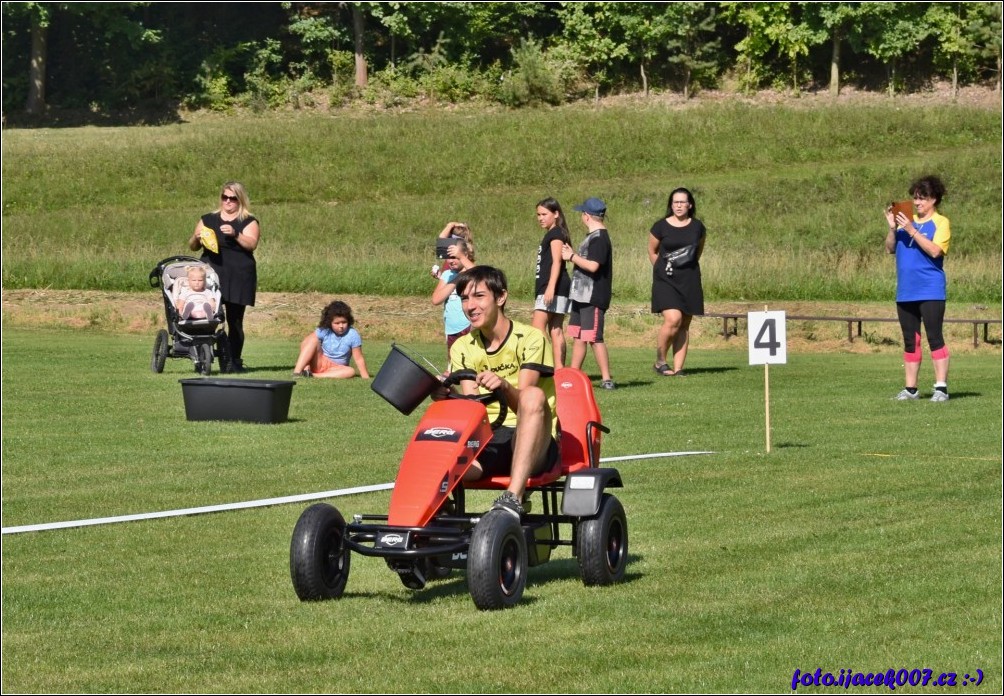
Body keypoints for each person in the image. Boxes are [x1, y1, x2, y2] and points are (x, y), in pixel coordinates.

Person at [442, 265, 559, 518]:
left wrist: (505, 386)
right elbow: (472, 406)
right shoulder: (462, 346)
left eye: (479, 296)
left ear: (501, 297)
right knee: (441, 458)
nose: (470, 306)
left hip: (534, 438)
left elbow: (527, 405)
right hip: (490, 438)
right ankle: (435, 512)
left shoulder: (531, 339)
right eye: (464, 298)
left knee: (533, 395)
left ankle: (513, 497)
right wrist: (444, 396)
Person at [884, 175, 952, 402]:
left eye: (922, 198)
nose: (917, 202)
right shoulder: (905, 222)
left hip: (930, 290)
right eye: (915, 198)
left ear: (934, 199)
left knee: (934, 337)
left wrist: (912, 230)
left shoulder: (940, 223)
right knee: (910, 340)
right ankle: (911, 389)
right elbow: (889, 249)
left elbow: (935, 251)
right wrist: (893, 229)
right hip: (906, 291)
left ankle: (941, 388)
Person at [188, 181, 260, 373]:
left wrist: (236, 234)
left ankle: (234, 361)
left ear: (240, 200)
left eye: (233, 198)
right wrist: (196, 237)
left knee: (235, 320)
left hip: (238, 275)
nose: (228, 202)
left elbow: (252, 244)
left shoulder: (248, 220)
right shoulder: (208, 219)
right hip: (212, 275)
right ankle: (203, 359)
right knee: (206, 317)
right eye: (224, 197)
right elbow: (193, 246)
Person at [649, 187, 706, 377]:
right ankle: (660, 361)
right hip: (665, 280)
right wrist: (661, 270)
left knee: (684, 324)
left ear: (690, 205)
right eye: (675, 202)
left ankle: (679, 368)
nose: (679, 205)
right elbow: (652, 251)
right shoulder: (660, 226)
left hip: (689, 279)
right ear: (671, 205)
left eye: (682, 202)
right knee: (673, 319)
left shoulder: (698, 227)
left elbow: (697, 252)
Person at [561, 197, 615, 390]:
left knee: (594, 337)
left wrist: (572, 256)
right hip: (580, 295)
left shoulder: (600, 238)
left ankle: (607, 379)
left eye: (582, 213)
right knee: (578, 335)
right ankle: (574, 374)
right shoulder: (592, 237)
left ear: (587, 216)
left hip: (592, 296)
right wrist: (574, 254)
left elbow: (593, 266)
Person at [532, 197, 573, 368]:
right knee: (555, 330)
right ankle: (559, 370)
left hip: (553, 286)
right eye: (538, 215)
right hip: (558, 286)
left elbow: (557, 261)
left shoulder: (555, 233)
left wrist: (550, 288)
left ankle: (547, 366)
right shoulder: (555, 233)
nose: (540, 218)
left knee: (537, 328)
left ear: (556, 214)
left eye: (544, 214)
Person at [431, 222, 476, 364]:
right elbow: (436, 299)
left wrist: (462, 258)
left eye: (455, 257)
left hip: (469, 325)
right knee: (453, 363)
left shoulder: (471, 271)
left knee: (471, 361)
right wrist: (456, 279)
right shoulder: (448, 275)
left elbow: (480, 274)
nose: (450, 261)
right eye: (448, 257)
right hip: (451, 328)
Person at [292, 300, 370, 379]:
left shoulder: (353, 335)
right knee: (312, 339)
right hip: (320, 363)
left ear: (349, 321)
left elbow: (359, 358)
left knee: (351, 371)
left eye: (344, 322)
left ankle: (313, 375)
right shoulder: (325, 330)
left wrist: (365, 377)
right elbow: (305, 343)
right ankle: (297, 372)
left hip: (337, 368)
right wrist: (307, 364)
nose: (341, 326)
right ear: (330, 322)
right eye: (337, 323)